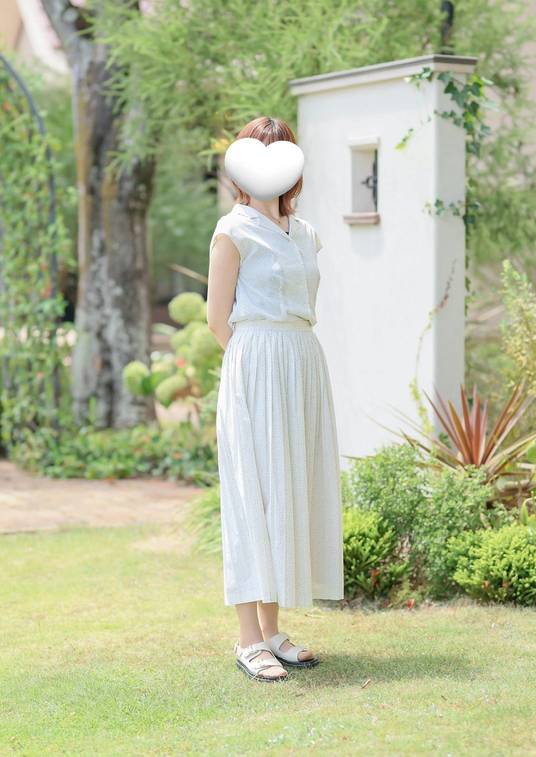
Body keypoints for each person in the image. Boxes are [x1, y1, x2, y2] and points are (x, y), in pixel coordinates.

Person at [206, 116, 343, 683]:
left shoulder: (305, 232)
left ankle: (272, 631)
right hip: (256, 364)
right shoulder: (232, 231)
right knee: (253, 493)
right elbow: (218, 319)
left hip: (302, 361)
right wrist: (254, 368)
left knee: (288, 490)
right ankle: (248, 640)